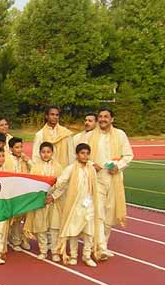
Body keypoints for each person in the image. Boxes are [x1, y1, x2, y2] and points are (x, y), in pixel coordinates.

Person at [88, 108, 133, 259]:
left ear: (112, 119)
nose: (102, 119)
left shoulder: (120, 135)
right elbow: (82, 154)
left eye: (106, 117)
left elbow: (128, 155)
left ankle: (102, 245)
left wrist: (118, 166)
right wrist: (92, 164)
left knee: (109, 214)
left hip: (114, 179)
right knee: (98, 213)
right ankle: (99, 248)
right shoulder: (90, 136)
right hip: (97, 179)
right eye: (100, 117)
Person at [46, 143, 101, 267]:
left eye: (87, 153)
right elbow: (61, 184)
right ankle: (73, 255)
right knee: (73, 231)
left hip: (89, 204)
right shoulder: (71, 168)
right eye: (82, 153)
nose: (85, 156)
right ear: (76, 155)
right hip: (75, 205)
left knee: (89, 232)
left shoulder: (91, 169)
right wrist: (52, 194)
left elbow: (94, 186)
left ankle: (87, 256)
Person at [23, 142, 63, 261]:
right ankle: (43, 251)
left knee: (54, 227)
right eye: (43, 152)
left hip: (54, 201)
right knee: (41, 227)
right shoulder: (35, 167)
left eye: (48, 152)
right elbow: (32, 184)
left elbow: (61, 185)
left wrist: (53, 196)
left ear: (52, 153)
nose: (45, 154)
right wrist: (41, 197)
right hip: (40, 201)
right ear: (39, 153)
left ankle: (55, 252)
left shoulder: (58, 167)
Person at [7, 137, 32, 252]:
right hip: (12, 193)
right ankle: (15, 240)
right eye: (17, 147)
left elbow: (35, 170)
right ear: (11, 148)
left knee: (25, 216)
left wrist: (28, 161)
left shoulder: (25, 159)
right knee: (14, 218)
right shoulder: (8, 159)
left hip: (25, 192)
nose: (19, 149)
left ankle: (24, 238)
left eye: (21, 147)